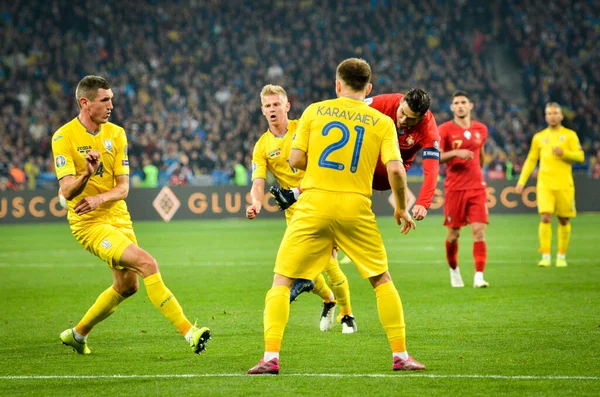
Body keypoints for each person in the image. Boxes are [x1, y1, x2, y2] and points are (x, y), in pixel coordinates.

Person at [248, 58, 425, 375]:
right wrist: (400, 206)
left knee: (282, 280)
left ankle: (270, 358)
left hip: (313, 205)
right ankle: (401, 356)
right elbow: (397, 169)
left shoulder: (315, 111)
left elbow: (296, 160)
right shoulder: (382, 123)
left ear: (337, 85)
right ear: (368, 89)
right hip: (356, 207)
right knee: (380, 279)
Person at [52, 75, 210, 355]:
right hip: (89, 224)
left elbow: (123, 187)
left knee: (127, 286)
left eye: (111, 98)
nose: (112, 105)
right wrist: (86, 175)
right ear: (85, 103)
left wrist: (100, 196)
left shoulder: (117, 133)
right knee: (147, 263)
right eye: (105, 100)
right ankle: (189, 332)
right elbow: (66, 191)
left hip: (119, 217)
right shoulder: (64, 137)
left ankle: (77, 334)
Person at [246, 84, 356, 334]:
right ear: (262, 110)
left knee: (329, 264)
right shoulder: (262, 146)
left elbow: (323, 163)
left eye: (277, 104)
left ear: (287, 106)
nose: (273, 109)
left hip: (320, 201)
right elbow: (258, 181)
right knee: (298, 269)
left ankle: (347, 314)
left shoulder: (302, 128)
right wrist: (255, 202)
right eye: (268, 106)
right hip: (295, 213)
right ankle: (329, 299)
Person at [271, 88, 440, 221]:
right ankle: (295, 193)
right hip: (366, 161)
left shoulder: (429, 131)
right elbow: (349, 109)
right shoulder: (386, 102)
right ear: (401, 101)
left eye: (411, 119)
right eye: (402, 113)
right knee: (338, 150)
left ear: (422, 117)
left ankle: (296, 192)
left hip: (389, 173)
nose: (403, 120)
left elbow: (431, 170)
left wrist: (423, 203)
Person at [515, 102, 584, 267]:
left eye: (555, 113)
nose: (552, 116)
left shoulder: (570, 135)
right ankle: (545, 256)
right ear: (545, 117)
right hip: (545, 184)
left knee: (564, 219)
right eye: (549, 113)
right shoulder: (539, 137)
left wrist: (564, 153)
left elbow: (581, 157)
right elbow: (531, 160)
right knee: (545, 216)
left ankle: (561, 256)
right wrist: (521, 181)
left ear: (561, 116)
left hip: (564, 184)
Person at [438, 91, 489, 288]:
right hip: (454, 189)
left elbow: (481, 153)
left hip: (477, 187)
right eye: (456, 103)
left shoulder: (481, 129)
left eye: (463, 102)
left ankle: (479, 276)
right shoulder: (444, 130)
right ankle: (454, 270)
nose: (460, 106)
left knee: (479, 231)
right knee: (453, 236)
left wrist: (477, 172)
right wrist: (456, 153)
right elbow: (437, 156)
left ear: (470, 106)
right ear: (452, 108)